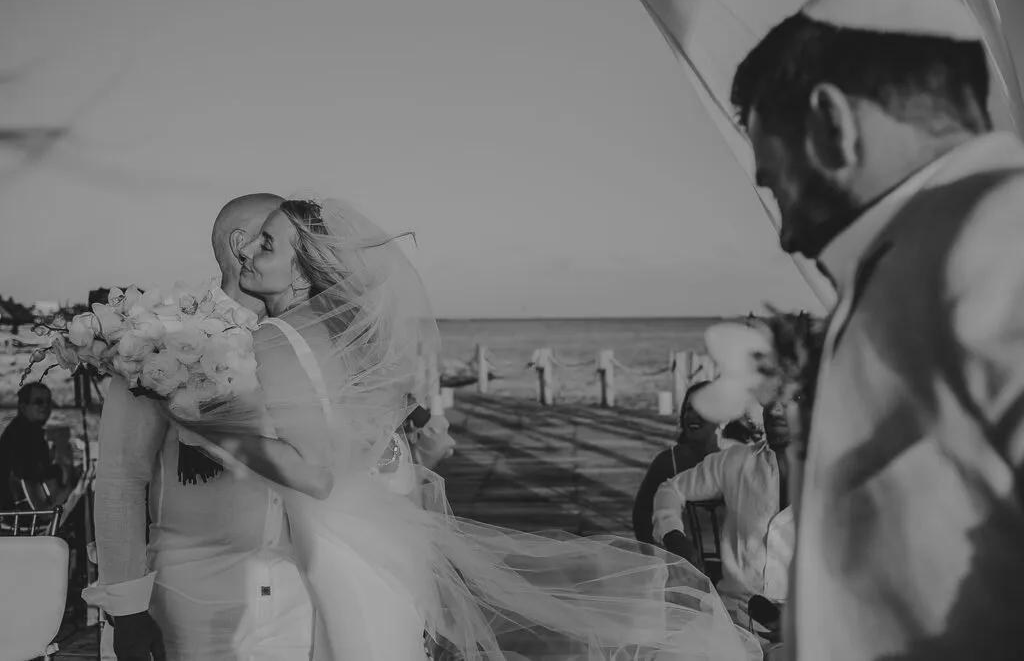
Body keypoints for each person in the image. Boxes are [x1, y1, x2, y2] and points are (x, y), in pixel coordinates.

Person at [184, 197, 761, 660]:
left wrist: (196, 421)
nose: (247, 256)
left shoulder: (278, 338)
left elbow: (312, 473)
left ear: (305, 265)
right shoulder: (346, 335)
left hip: (338, 542)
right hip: (385, 534)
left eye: (267, 243)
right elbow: (376, 443)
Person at [730, 0, 1024, 658]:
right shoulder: (929, 246)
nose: (787, 236)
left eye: (778, 182)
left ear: (833, 122)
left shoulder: (996, 242)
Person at [83, 194, 319, 661]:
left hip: (297, 597)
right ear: (242, 245)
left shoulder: (300, 339)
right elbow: (120, 481)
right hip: (190, 600)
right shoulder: (158, 337)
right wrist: (128, 612)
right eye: (279, 238)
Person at [652, 402, 793, 633]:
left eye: (793, 399)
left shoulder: (841, 475)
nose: (776, 410)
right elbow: (670, 490)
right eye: (771, 400)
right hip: (738, 619)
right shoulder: (734, 461)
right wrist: (673, 534)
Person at [631, 380, 719, 544]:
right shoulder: (666, 463)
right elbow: (642, 519)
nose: (693, 415)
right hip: (680, 561)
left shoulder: (735, 460)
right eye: (689, 409)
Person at [0, 383, 67, 512]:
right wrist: (60, 470)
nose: (45, 406)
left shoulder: (29, 431)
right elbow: (25, 473)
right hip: (19, 513)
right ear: (23, 406)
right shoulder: (19, 433)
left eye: (48, 402)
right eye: (38, 402)